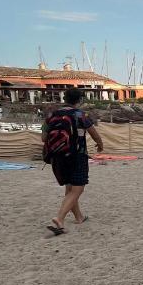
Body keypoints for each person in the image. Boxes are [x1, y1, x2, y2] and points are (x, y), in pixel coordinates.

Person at [44, 89, 104, 235]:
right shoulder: (80, 115)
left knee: (70, 188)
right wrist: (100, 143)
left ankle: (79, 217)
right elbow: (93, 133)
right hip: (77, 155)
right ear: (79, 100)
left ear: (65, 98)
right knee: (78, 189)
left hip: (57, 157)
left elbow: (43, 138)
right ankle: (59, 219)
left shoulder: (52, 115)